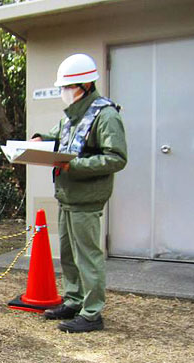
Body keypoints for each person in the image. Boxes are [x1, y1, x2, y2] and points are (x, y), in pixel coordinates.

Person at [32, 53, 128, 333]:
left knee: (88, 255)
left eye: (66, 87)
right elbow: (54, 137)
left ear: (84, 86)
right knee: (68, 254)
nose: (63, 92)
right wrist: (39, 141)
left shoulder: (105, 115)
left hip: (87, 197)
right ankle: (74, 300)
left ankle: (92, 312)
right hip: (67, 195)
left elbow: (116, 158)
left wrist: (74, 164)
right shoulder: (73, 116)